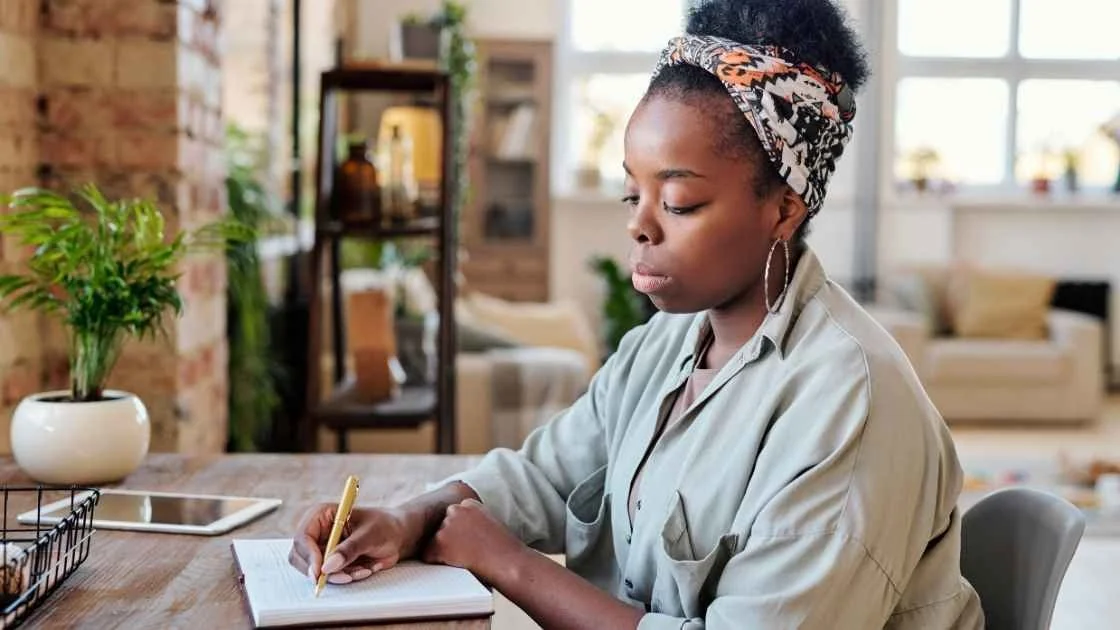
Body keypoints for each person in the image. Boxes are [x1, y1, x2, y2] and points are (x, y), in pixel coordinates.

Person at [289, 0, 984, 627]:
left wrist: (512, 565)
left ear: (783, 209)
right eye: (632, 196)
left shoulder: (849, 405)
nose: (641, 227)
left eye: (678, 203)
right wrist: (403, 519)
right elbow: (544, 476)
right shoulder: (668, 343)